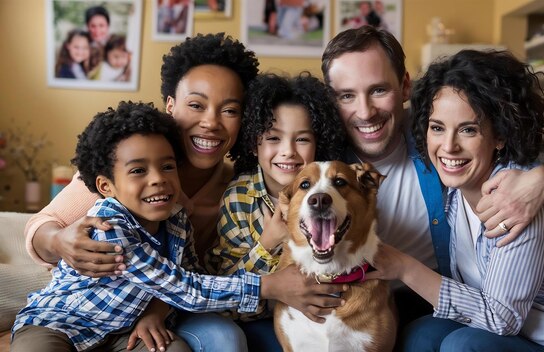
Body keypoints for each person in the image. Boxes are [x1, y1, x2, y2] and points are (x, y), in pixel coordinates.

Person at [24, 33, 346, 352]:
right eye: (196, 105)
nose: (210, 122)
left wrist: (159, 309)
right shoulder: (119, 166)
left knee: (218, 338)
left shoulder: (225, 193)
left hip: (155, 311)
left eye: (229, 110)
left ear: (245, 124)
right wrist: (59, 240)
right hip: (76, 313)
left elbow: (192, 275)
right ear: (170, 105)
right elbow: (42, 225)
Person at [320, 25, 544, 334]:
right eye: (346, 96)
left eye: (378, 90)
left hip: (439, 299)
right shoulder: (321, 160)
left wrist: (543, 177)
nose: (365, 112)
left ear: (405, 86)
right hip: (360, 300)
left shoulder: (433, 128)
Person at [367, 49, 544, 351]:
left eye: (468, 129)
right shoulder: (450, 183)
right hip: (532, 330)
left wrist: (403, 267)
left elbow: (501, 317)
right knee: (421, 334)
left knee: (464, 345)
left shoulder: (521, 199)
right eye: (437, 128)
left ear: (500, 135)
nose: (448, 146)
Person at [11, 101, 260, 352]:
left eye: (167, 167)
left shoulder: (178, 220)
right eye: (139, 170)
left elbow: (188, 274)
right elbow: (185, 288)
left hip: (126, 331)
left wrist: (157, 311)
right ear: (106, 186)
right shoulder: (109, 226)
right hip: (61, 322)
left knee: (174, 349)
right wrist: (268, 286)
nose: (158, 179)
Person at [212, 72, 345, 349]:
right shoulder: (238, 199)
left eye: (302, 140)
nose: (288, 152)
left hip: (329, 317)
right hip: (261, 321)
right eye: (273, 138)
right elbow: (226, 295)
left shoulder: (334, 197)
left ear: (318, 143)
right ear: (254, 142)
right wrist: (268, 243)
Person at [85, 5, 111, 72]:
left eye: (101, 26)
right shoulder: (82, 47)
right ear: (87, 27)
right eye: (93, 26)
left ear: (108, 26)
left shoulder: (115, 45)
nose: (97, 31)